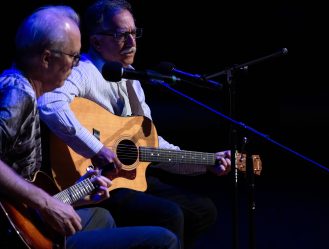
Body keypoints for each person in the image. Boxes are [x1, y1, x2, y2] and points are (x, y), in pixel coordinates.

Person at [38, 0, 231, 248]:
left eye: (133, 33)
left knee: (203, 210)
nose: (131, 42)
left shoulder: (131, 78)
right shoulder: (83, 71)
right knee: (169, 213)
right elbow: (49, 103)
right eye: (121, 35)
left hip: (129, 178)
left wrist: (207, 163)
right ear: (96, 42)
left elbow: (152, 145)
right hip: (94, 182)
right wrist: (96, 150)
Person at [0, 5, 180, 249]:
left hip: (28, 217)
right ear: (46, 58)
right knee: (163, 239)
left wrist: (79, 193)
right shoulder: (17, 93)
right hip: (13, 228)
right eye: (73, 56)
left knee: (102, 217)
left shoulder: (25, 92)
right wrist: (45, 203)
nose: (76, 65)